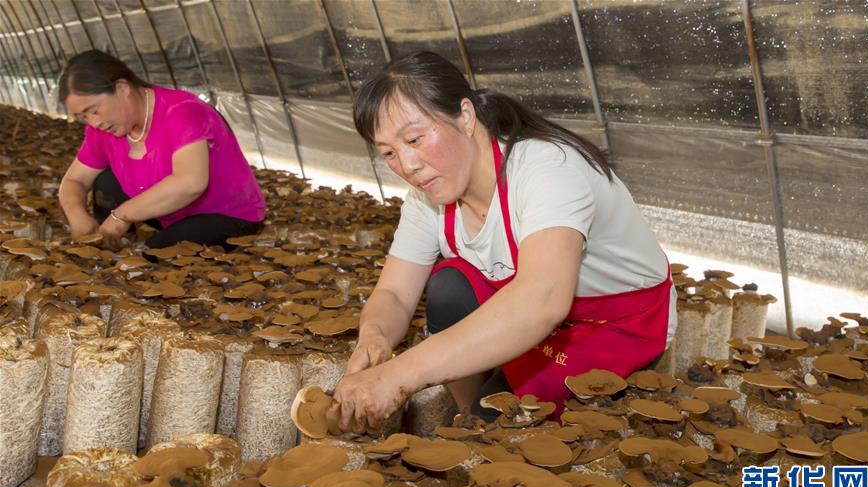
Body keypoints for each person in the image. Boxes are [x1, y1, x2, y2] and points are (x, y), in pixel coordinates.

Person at [328, 51, 676, 433]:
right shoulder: (427, 197)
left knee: (509, 434)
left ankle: (485, 420)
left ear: (464, 115)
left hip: (616, 325)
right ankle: (473, 418)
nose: (407, 166)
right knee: (449, 286)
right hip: (530, 317)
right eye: (389, 153)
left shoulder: (547, 168)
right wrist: (374, 335)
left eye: (415, 138)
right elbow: (394, 292)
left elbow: (541, 299)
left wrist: (400, 375)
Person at [57, 50, 266, 249]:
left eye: (94, 110)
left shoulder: (182, 112)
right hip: (164, 210)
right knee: (105, 182)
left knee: (154, 256)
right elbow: (75, 180)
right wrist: (77, 215)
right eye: (84, 116)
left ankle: (127, 237)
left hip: (222, 214)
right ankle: (109, 243)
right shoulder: (102, 129)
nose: (94, 122)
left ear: (122, 88)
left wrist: (121, 216)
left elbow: (190, 183)